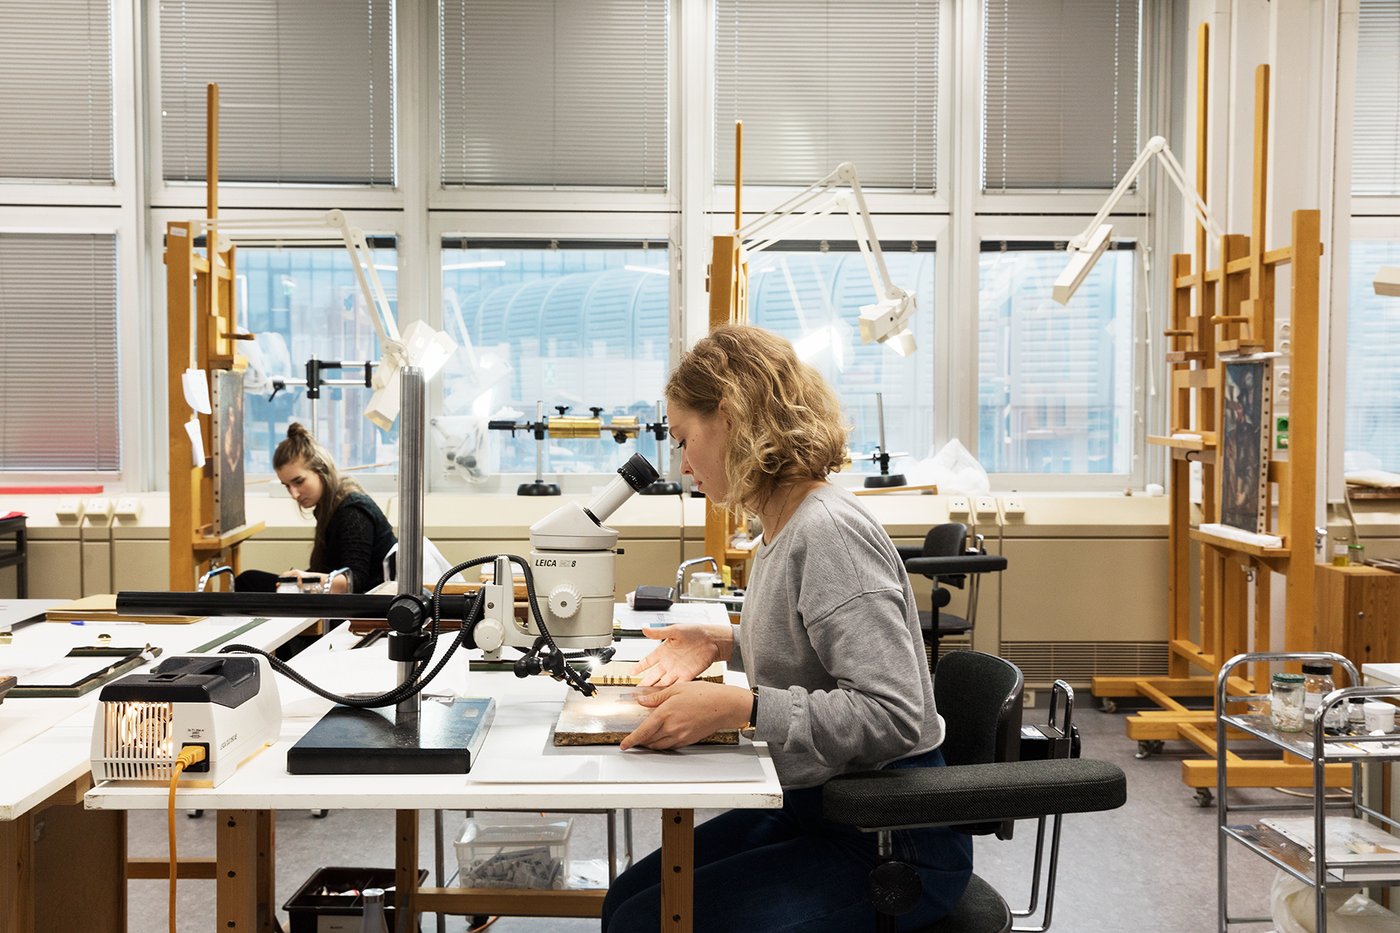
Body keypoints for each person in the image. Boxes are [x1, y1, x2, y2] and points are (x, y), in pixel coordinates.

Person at [601, 325, 972, 933]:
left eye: (684, 439)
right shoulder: (780, 525)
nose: (684, 462)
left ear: (731, 418)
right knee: (628, 902)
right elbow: (812, 647)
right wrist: (721, 642)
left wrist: (742, 707)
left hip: (890, 842)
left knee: (647, 923)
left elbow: (896, 713)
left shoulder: (827, 532)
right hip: (816, 805)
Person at [235, 423, 396, 595]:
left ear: (322, 471)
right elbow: (328, 568)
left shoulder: (352, 511)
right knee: (248, 581)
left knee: (248, 583)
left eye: (299, 481)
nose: (294, 494)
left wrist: (305, 579)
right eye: (287, 486)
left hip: (363, 604)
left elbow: (353, 581)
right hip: (342, 599)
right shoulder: (328, 507)